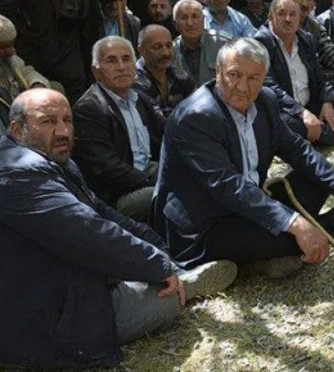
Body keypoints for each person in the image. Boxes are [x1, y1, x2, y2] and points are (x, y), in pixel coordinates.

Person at [0, 88, 237, 368]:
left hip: (67, 279)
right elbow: (88, 232)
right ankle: (183, 284)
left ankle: (165, 277)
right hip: (42, 317)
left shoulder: (49, 160)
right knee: (166, 302)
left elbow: (101, 213)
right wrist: (157, 264)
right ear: (16, 129)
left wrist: (155, 246)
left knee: (135, 264)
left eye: (68, 120)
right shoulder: (17, 173)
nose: (63, 130)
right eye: (48, 121)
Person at [255, 0, 334, 146]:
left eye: (293, 14)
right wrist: (301, 112)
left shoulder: (304, 39)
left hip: (311, 104)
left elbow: (319, 76)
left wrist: (326, 102)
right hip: (286, 110)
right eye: (282, 14)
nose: (288, 19)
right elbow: (269, 86)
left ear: (299, 18)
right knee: (286, 125)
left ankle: (318, 132)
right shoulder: (260, 43)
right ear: (271, 17)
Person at [72, 37, 165, 223]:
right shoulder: (89, 109)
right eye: (111, 61)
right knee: (169, 194)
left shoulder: (141, 99)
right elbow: (107, 169)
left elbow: (167, 138)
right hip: (117, 194)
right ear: (96, 71)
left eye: (126, 59)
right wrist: (156, 180)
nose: (121, 67)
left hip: (146, 172)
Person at [0, 14, 51, 128]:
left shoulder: (8, 58)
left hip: (19, 110)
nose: (11, 51)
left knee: (55, 89)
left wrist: (37, 84)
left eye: (12, 45)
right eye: (4, 47)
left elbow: (26, 71)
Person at [135, 24, 196, 117]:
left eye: (168, 46)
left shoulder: (180, 75)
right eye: (157, 47)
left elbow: (198, 109)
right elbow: (156, 121)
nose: (165, 53)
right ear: (141, 50)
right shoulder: (135, 80)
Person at [171, 0, 233, 85]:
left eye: (195, 16)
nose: (190, 23)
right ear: (175, 25)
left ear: (203, 20)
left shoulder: (224, 43)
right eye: (184, 18)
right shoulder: (171, 51)